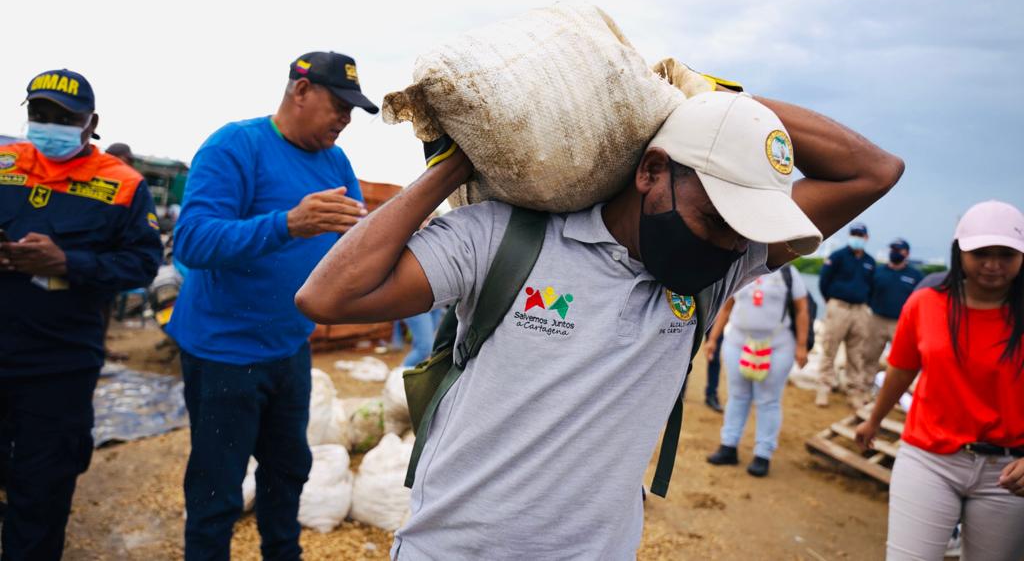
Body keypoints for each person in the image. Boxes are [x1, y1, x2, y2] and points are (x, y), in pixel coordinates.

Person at [297, 84, 904, 559]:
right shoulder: (506, 239)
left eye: (742, 230)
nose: (729, 244)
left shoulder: (718, 270)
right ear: (651, 171)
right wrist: (456, 166)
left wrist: (717, 103)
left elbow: (874, 171)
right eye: (715, 217)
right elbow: (328, 298)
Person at [168, 52, 377, 560]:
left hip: (288, 347)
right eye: (339, 105)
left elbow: (359, 237)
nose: (346, 119)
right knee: (217, 487)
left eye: (354, 110)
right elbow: (192, 241)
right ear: (300, 91)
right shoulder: (235, 146)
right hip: (223, 353)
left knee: (287, 472)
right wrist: (286, 223)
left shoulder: (335, 162)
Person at [0, 69, 162, 559]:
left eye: (64, 118)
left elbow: (143, 264)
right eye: (39, 114)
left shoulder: (124, 186)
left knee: (41, 495)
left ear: (91, 122)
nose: (49, 125)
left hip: (59, 368)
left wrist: (67, 262)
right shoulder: (4, 162)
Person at [856, 200, 1024, 560]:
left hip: (1008, 475)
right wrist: (874, 420)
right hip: (928, 459)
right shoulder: (926, 304)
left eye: (1006, 254)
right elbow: (902, 369)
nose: (993, 265)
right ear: (959, 251)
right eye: (981, 253)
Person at [705, 265, 809, 476]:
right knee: (737, 395)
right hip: (738, 342)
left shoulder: (788, 273)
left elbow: (801, 309)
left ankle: (763, 453)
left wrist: (801, 344)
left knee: (768, 399)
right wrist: (713, 339)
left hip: (776, 345)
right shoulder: (742, 267)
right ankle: (728, 445)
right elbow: (726, 307)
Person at [816, 222, 875, 408]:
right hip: (839, 307)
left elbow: (872, 286)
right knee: (829, 348)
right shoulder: (838, 256)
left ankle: (854, 391)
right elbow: (824, 280)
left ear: (866, 238)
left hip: (860, 310)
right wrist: (831, 301)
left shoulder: (870, 262)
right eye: (854, 234)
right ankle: (824, 388)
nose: (857, 238)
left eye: (860, 235)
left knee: (856, 353)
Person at [860, 238, 922, 396]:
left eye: (898, 250)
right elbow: (867, 292)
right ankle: (864, 390)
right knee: (869, 356)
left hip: (900, 323)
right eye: (892, 249)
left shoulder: (915, 276)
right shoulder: (879, 271)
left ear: (906, 253)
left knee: (900, 362)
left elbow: (920, 300)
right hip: (877, 320)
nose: (894, 253)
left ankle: (892, 395)